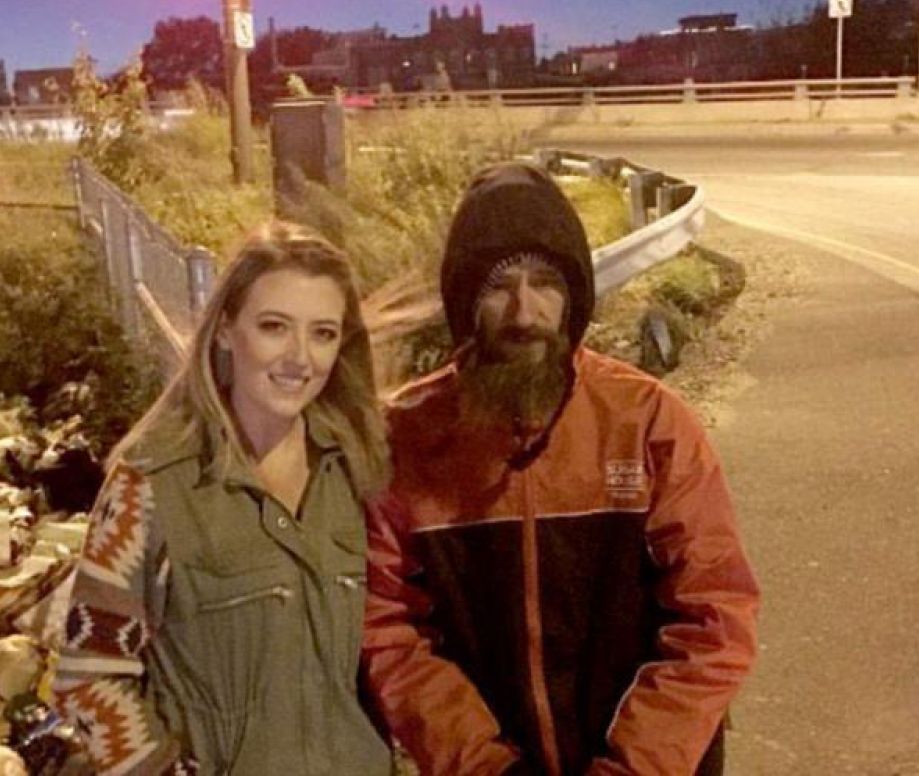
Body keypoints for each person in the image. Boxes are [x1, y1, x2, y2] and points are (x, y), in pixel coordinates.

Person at [361, 163, 760, 776]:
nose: (524, 312)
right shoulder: (406, 439)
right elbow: (388, 626)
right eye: (499, 286)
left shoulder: (647, 421)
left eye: (545, 283)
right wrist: (485, 767)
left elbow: (714, 615)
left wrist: (632, 767)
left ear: (574, 296)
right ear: (464, 301)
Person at [54, 221, 394, 776]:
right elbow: (89, 681)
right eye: (274, 327)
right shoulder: (149, 486)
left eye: (323, 334)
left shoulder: (360, 472)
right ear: (225, 331)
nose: (300, 358)